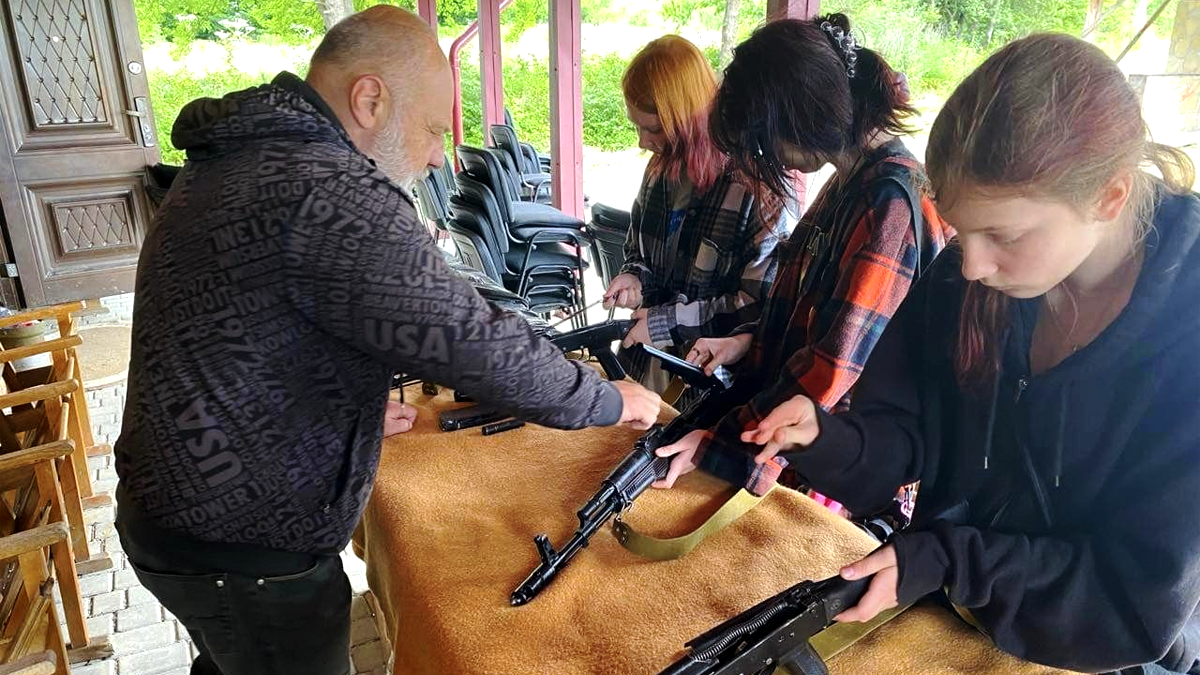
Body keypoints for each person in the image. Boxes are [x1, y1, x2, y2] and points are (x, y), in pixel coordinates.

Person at [113, 7, 660, 675]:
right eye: (432, 128)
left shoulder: (249, 156)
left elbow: (248, 333)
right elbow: (470, 339)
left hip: (185, 512)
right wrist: (607, 400)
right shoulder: (326, 189)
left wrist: (343, 407)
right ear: (370, 98)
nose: (436, 154)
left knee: (235, 654)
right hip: (242, 541)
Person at [733, 34, 1199, 675]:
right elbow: (906, 437)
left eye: (1002, 236)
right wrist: (824, 435)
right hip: (953, 617)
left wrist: (951, 559)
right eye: (961, 228)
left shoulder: (1187, 332)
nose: (972, 265)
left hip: (1093, 652)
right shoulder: (970, 276)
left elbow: (1131, 600)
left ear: (1108, 198)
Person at [653, 16, 953, 507]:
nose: (769, 154)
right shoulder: (849, 180)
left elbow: (833, 367)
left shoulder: (891, 205)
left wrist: (724, 445)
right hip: (803, 436)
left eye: (765, 140)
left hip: (845, 463)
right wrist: (745, 342)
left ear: (800, 118)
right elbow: (809, 307)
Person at [602, 35, 796, 395]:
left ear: (689, 117)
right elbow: (638, 254)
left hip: (704, 389)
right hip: (641, 369)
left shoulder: (756, 188)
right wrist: (634, 280)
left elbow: (756, 307)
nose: (643, 142)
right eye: (637, 126)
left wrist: (665, 324)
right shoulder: (658, 172)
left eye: (653, 128)